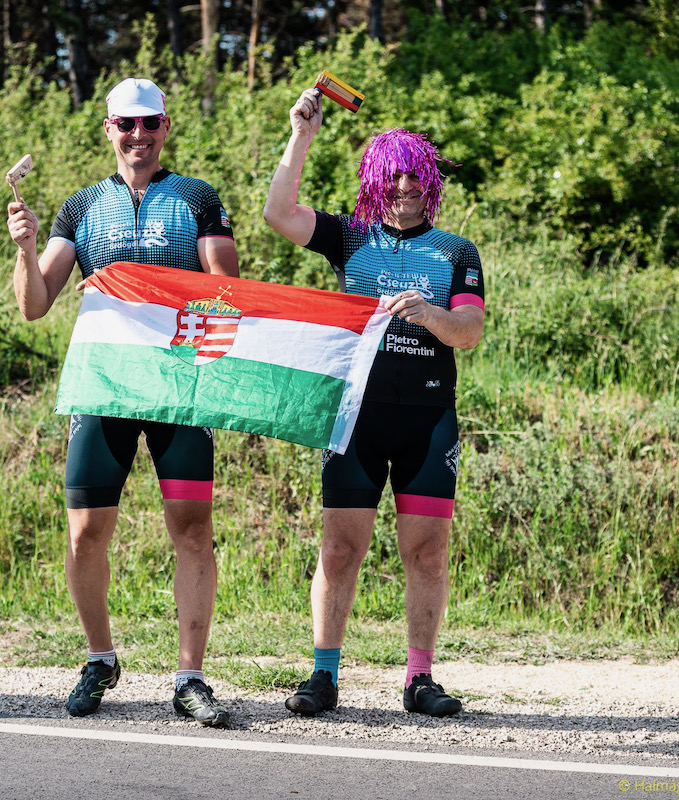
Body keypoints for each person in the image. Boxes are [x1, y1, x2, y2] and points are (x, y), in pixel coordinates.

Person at [7, 77, 239, 727]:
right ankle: (99, 659)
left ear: (166, 127)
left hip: (179, 387)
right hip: (104, 385)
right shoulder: (80, 209)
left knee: (192, 530)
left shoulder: (196, 198)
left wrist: (147, 292)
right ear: (108, 130)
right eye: (126, 125)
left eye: (150, 124)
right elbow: (33, 305)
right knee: (85, 532)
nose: (138, 135)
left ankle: (190, 678)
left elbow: (229, 290)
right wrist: (25, 249)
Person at [262, 89, 485, 717]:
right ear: (374, 179)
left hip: (428, 418)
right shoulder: (350, 236)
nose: (406, 186)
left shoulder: (456, 251)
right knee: (340, 549)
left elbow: (469, 331)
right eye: (394, 174)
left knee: (428, 551)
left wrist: (431, 314)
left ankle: (419, 678)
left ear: (430, 181)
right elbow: (278, 214)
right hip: (354, 417)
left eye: (416, 173)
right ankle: (324, 675)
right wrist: (300, 135)